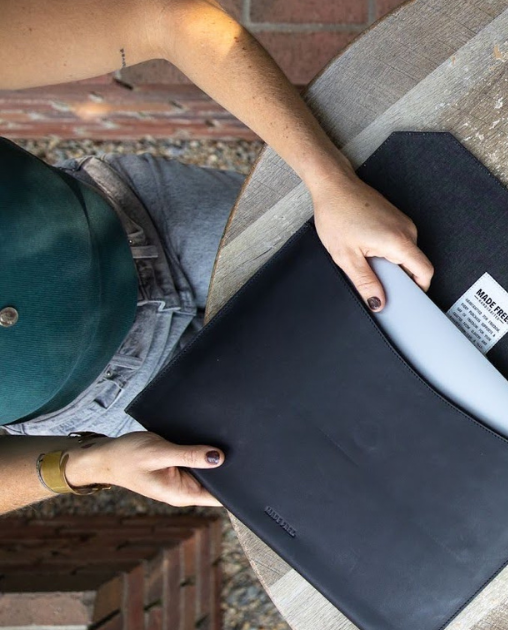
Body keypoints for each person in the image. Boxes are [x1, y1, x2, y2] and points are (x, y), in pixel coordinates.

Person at [0, 0, 433, 512]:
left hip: (156, 228)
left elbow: (165, 19)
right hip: (118, 407)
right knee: (394, 463)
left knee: (433, 289)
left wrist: (329, 182)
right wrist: (86, 467)